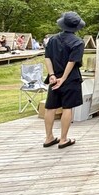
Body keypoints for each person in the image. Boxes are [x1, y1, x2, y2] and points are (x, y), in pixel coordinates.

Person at [42, 11, 85, 149]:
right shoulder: (78, 42)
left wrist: (52, 75)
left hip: (54, 78)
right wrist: (63, 78)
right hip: (70, 78)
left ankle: (48, 137)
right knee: (67, 107)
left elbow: (47, 58)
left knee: (50, 107)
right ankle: (63, 139)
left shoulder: (52, 39)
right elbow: (72, 62)